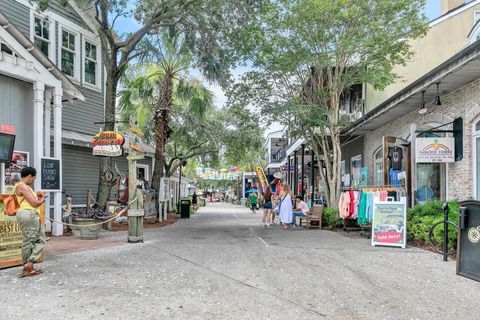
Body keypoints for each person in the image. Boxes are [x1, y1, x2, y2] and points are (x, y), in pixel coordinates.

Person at [15, 167, 46, 278]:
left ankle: (29, 265)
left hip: (29, 214)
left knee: (39, 238)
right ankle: (28, 266)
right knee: (30, 240)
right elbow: (34, 203)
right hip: (29, 214)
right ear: (29, 176)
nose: (33, 180)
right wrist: (42, 200)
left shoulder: (22, 186)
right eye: (33, 178)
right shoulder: (22, 186)